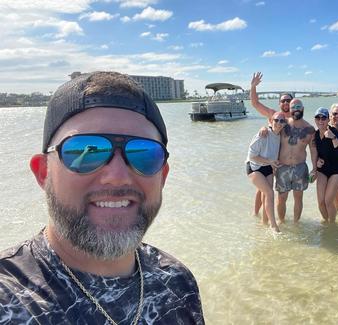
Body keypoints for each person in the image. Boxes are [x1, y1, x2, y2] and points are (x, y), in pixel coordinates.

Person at [0, 71, 205, 324]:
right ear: (44, 172)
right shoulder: (10, 299)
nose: (117, 176)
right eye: (86, 151)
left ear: (162, 176)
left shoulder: (178, 281)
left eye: (144, 154)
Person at [250, 72, 293, 217]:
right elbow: (255, 104)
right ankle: (256, 215)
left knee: (267, 190)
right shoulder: (273, 114)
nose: (286, 103)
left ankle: (264, 218)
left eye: (288, 100)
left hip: (279, 160)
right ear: (279, 103)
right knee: (263, 190)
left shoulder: (295, 119)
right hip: (266, 158)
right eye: (283, 101)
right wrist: (253, 87)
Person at [275, 98, 318, 223]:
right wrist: (263, 129)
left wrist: (314, 169)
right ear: (290, 109)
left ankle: (296, 224)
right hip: (282, 167)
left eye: (298, 107)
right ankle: (281, 222)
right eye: (293, 107)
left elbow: (313, 150)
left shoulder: (310, 129)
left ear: (303, 109)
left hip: (300, 167)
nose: (296, 109)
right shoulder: (283, 124)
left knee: (298, 198)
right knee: (281, 198)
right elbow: (272, 132)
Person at [246, 111, 287, 232]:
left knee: (266, 195)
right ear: (270, 121)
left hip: (268, 167)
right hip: (254, 167)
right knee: (269, 193)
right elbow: (252, 156)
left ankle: (264, 222)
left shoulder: (281, 135)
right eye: (276, 120)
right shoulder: (263, 134)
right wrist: (270, 161)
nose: (279, 123)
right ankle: (273, 225)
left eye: (282, 121)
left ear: (284, 124)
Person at [313, 107, 338, 223]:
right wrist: (316, 163)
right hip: (323, 170)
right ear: (315, 120)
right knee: (321, 203)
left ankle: (332, 226)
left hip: (337, 170)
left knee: (328, 201)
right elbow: (315, 152)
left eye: (323, 118)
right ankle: (327, 224)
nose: (320, 120)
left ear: (328, 120)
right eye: (318, 118)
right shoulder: (315, 135)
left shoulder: (333, 132)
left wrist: (332, 137)